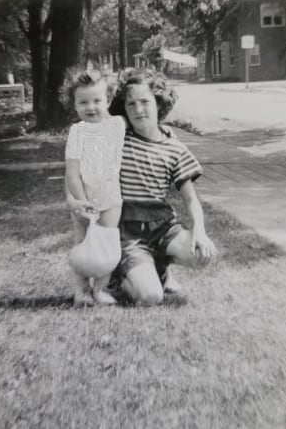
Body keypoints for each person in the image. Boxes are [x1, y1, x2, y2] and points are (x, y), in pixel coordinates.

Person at [109, 67, 216, 305]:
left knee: (202, 254)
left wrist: (199, 232)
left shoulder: (174, 147)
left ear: (159, 102)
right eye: (130, 104)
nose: (138, 110)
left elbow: (190, 199)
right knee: (150, 296)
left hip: (163, 227)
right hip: (129, 232)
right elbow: (95, 120)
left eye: (145, 102)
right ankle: (120, 275)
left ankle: (160, 265)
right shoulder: (119, 138)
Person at [63, 68, 125, 306]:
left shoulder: (117, 125)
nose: (91, 107)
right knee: (82, 245)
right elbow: (72, 171)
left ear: (108, 100)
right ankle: (81, 290)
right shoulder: (76, 132)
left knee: (106, 244)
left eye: (97, 101)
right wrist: (80, 201)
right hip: (84, 197)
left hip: (110, 198)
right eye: (83, 102)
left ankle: (100, 289)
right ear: (75, 105)